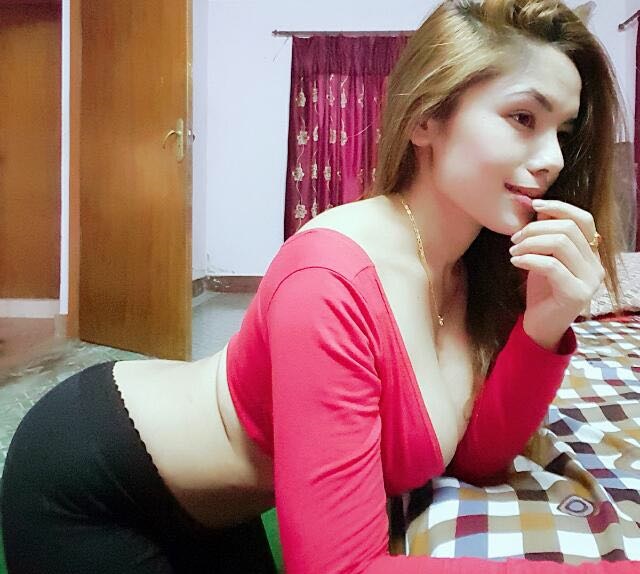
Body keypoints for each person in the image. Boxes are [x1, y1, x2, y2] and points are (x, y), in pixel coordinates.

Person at [1, 0, 637, 572]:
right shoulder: (330, 282)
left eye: (563, 131)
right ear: (426, 119)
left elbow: (474, 457)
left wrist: (544, 324)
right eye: (523, 117)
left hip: (218, 508)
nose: (553, 158)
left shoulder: (471, 268)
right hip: (99, 482)